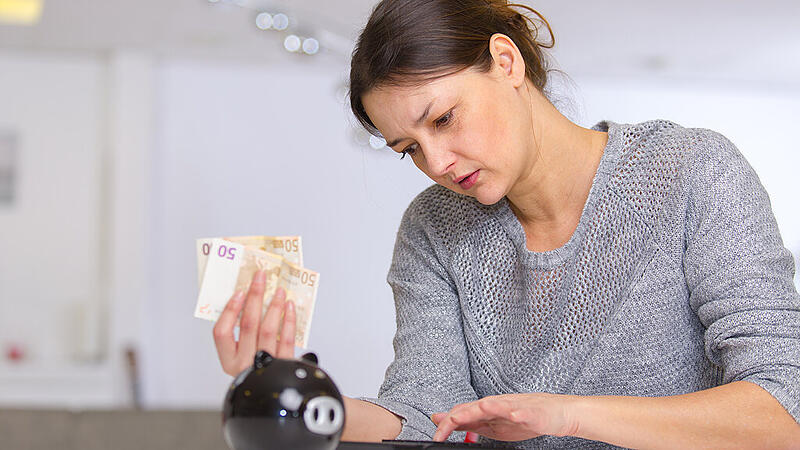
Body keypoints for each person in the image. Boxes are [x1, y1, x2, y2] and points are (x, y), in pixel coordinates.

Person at [213, 0, 800, 447]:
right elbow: (426, 417)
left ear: (506, 61)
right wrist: (298, 397)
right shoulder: (432, 229)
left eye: (443, 118)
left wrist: (568, 413)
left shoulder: (691, 172)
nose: (435, 164)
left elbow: (784, 407)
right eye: (407, 149)